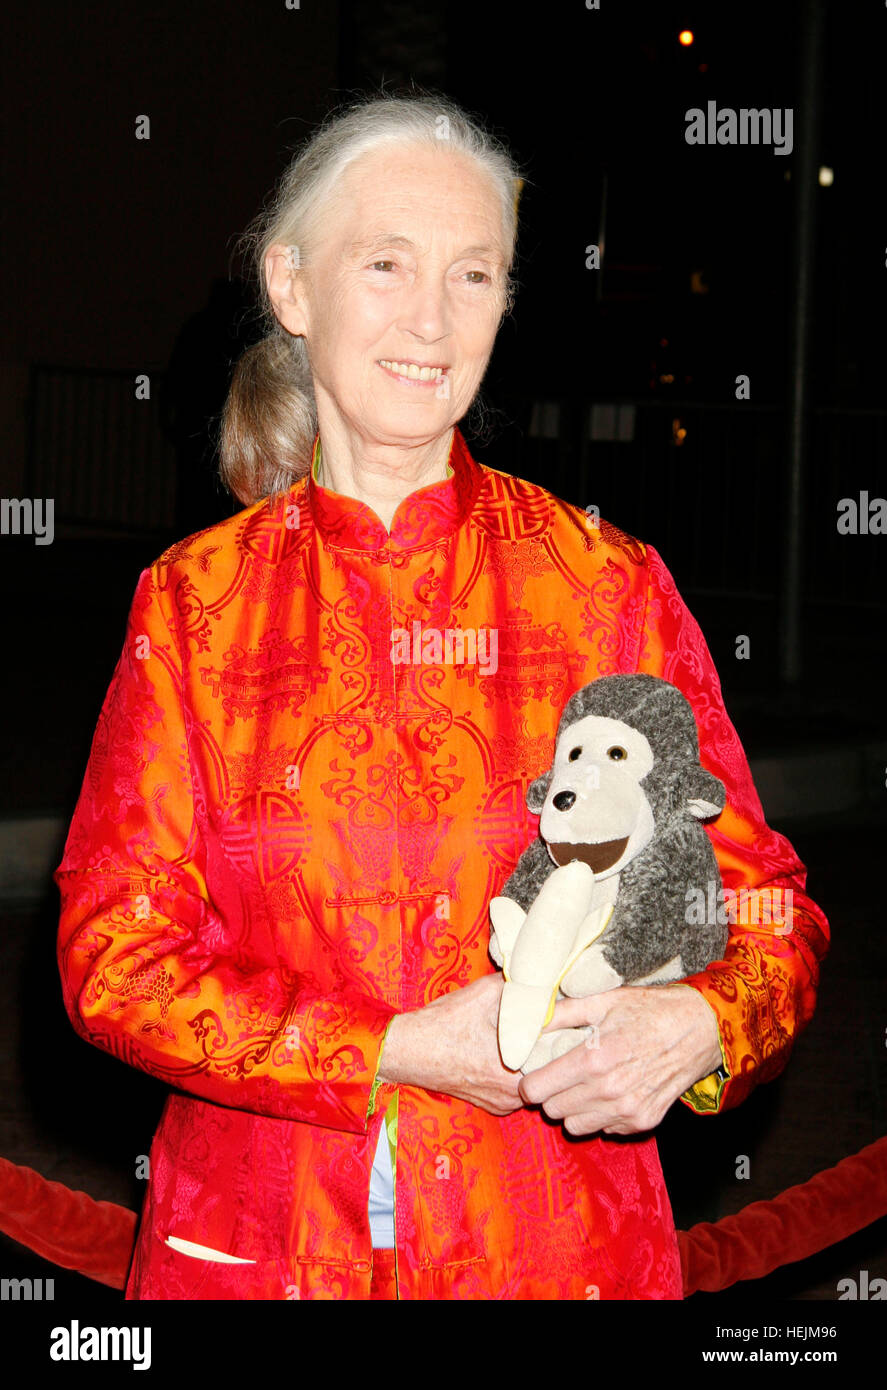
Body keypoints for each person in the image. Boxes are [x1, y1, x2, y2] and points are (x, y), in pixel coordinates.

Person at [55, 93, 829, 1301]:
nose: (429, 318)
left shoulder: (603, 586)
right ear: (293, 287)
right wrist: (394, 1049)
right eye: (385, 264)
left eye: (472, 275)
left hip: (556, 1252)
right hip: (267, 1258)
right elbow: (112, 957)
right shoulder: (191, 607)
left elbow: (763, 914)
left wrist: (703, 1027)